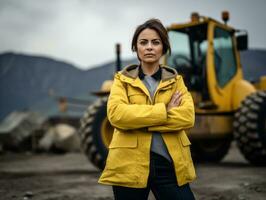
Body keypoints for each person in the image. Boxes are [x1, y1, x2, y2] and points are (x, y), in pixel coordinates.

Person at [98, 18, 196, 200]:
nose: (149, 47)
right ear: (136, 48)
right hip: (128, 165)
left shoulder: (176, 81)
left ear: (163, 47)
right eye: (143, 42)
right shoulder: (121, 80)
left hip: (169, 165)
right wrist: (164, 111)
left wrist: (138, 121)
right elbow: (116, 116)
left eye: (155, 42)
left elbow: (188, 117)